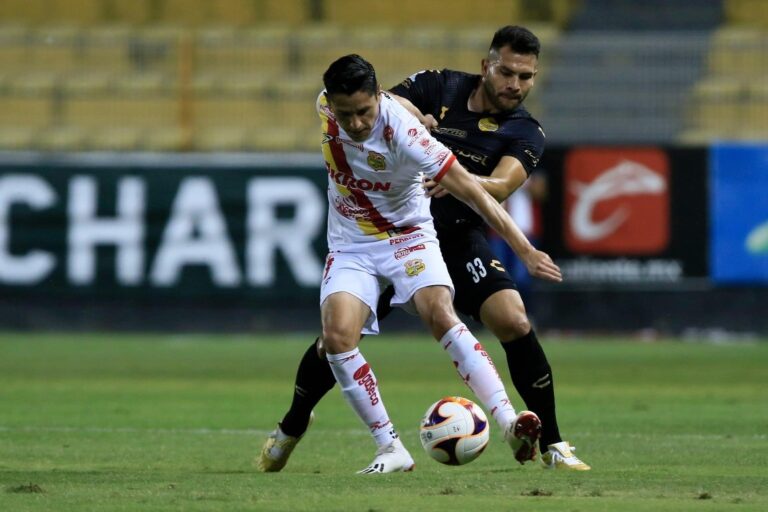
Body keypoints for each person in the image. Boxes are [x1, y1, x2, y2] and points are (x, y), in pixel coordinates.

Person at [258, 26, 590, 473]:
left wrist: (445, 169)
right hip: (363, 241)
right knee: (333, 341)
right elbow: (392, 103)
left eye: (525, 77)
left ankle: (544, 437)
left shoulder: (525, 131)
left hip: (444, 234)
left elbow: (495, 189)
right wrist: (419, 125)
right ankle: (295, 423)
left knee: (508, 317)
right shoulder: (435, 86)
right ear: (486, 65)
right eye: (507, 72)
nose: (515, 84)